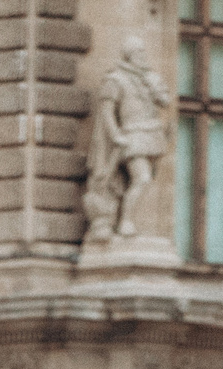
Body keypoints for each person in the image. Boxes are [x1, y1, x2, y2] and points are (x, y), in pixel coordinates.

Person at [83, 44, 169, 243]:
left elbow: (165, 102)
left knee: (142, 179)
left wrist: (154, 86)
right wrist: (115, 135)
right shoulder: (116, 79)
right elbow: (106, 112)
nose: (142, 55)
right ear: (129, 55)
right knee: (142, 178)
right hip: (132, 134)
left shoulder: (149, 77)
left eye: (143, 52)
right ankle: (126, 222)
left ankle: (129, 222)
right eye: (138, 52)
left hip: (151, 134)